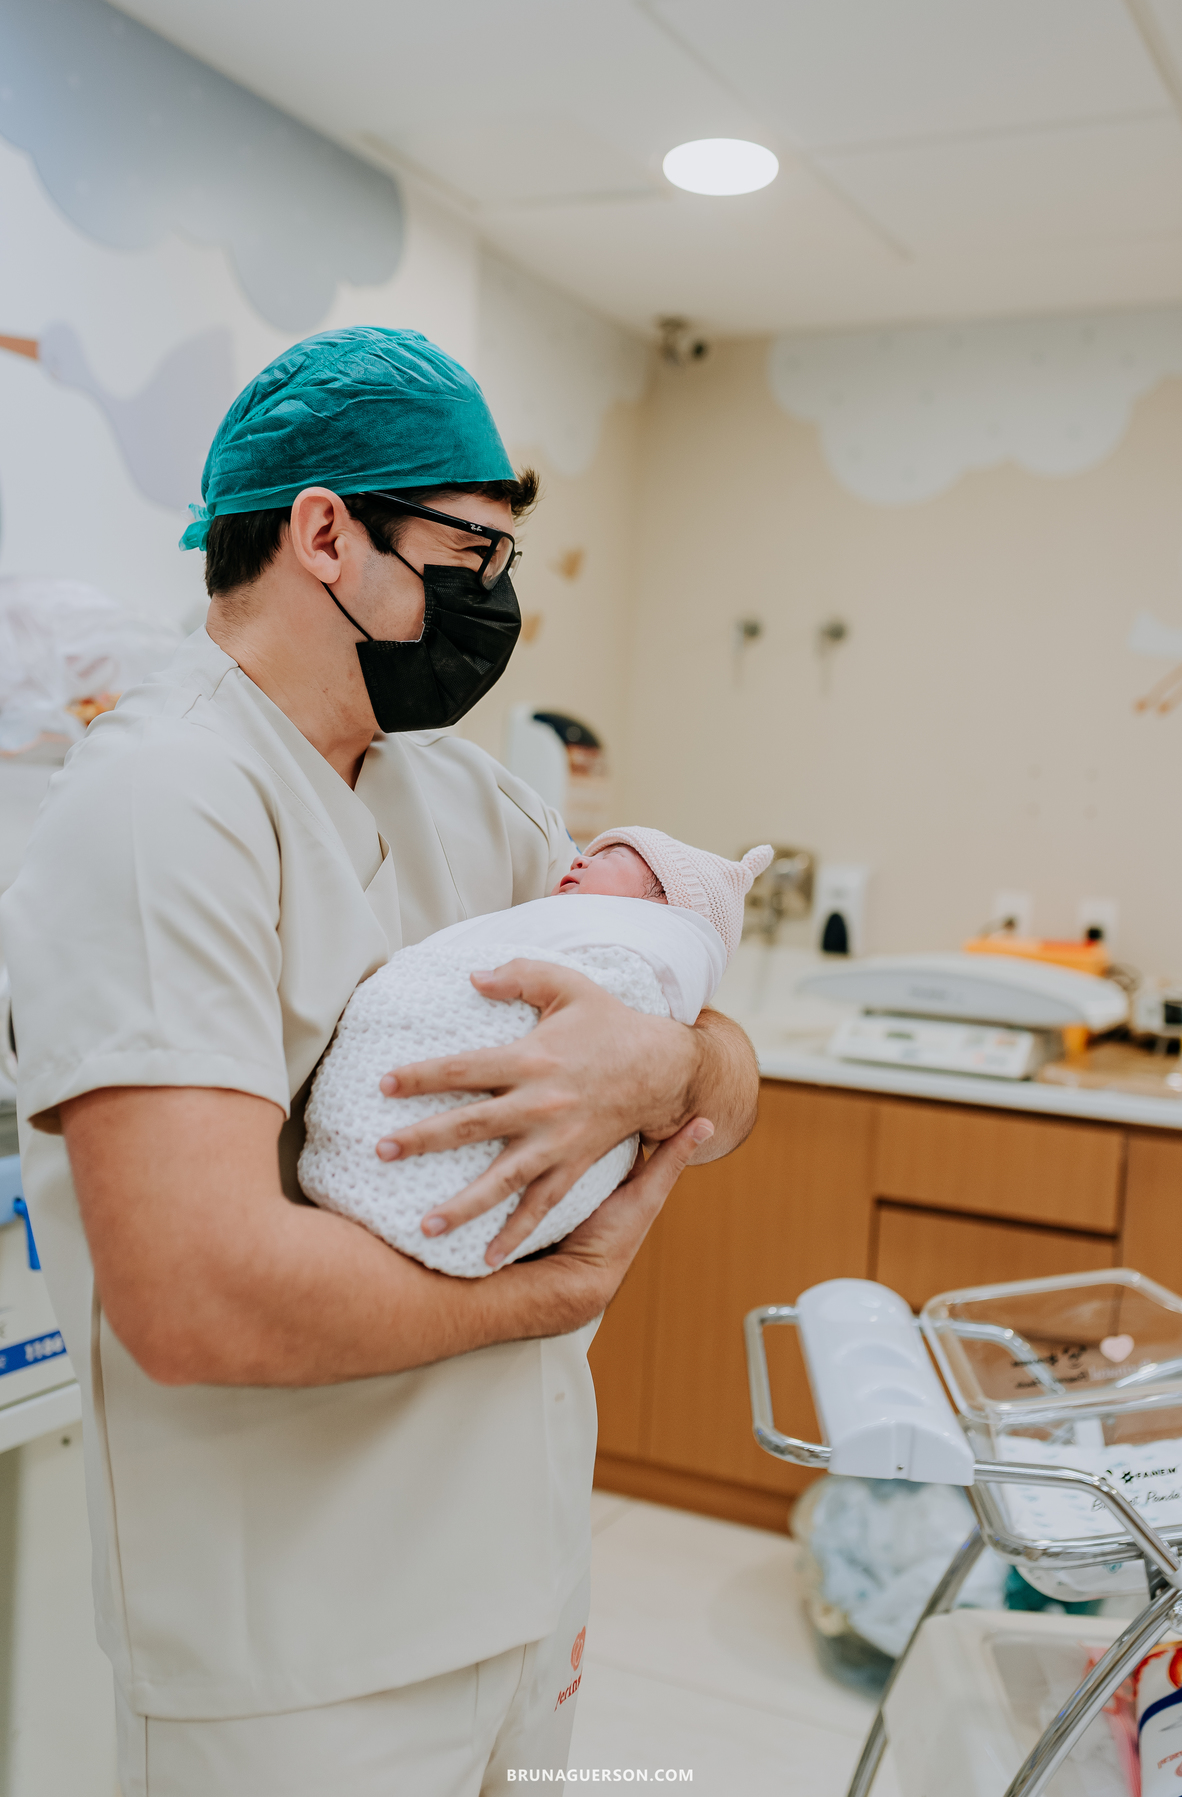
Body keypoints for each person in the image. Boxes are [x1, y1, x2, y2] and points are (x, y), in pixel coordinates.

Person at [1, 326, 759, 1797]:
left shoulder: (469, 798)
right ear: (327, 533)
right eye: (473, 552)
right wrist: (564, 1285)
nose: (500, 601)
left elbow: (722, 1053)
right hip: (300, 1645)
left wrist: (660, 1075)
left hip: (523, 1579)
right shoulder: (163, 805)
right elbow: (197, 1296)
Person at [299, 832, 774, 1277]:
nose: (581, 860)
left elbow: (720, 1099)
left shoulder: (521, 821)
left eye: (608, 858)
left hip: (526, 1338)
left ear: (664, 903)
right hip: (334, 1272)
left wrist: (666, 1065)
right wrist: (575, 1285)